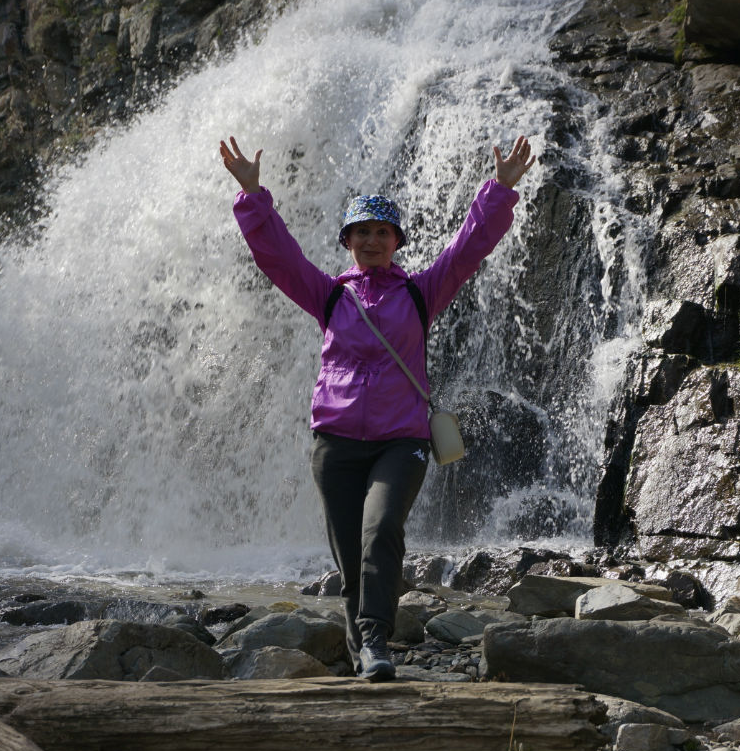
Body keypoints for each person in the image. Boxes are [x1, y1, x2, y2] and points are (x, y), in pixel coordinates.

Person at [219, 134, 535, 680]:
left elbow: (468, 247)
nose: (371, 240)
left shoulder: (421, 292)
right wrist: (253, 194)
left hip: (400, 440)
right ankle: (360, 650)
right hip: (335, 443)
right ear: (348, 241)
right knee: (348, 558)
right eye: (361, 231)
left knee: (381, 529)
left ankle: (375, 640)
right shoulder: (329, 295)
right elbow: (278, 256)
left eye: (381, 232)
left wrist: (501, 188)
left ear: (396, 241)